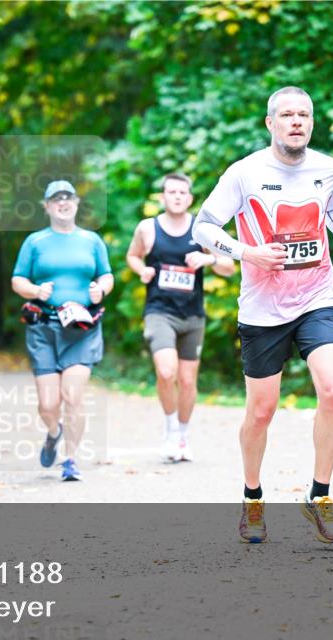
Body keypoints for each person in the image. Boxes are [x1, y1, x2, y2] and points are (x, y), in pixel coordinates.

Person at [192, 86, 333, 544]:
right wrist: (246, 252)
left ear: (312, 122)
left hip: (317, 297)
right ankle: (252, 497)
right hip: (263, 308)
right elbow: (203, 227)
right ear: (270, 123)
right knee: (261, 412)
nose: (296, 122)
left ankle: (320, 496)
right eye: (287, 115)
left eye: (304, 114)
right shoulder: (244, 173)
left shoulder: (327, 168)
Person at [126, 173, 235, 462]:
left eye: (182, 192)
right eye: (171, 192)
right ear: (163, 196)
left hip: (192, 315)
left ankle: (183, 436)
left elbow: (229, 266)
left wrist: (208, 258)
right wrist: (142, 270)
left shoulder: (202, 229)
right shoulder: (147, 228)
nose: (176, 196)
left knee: (187, 381)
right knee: (166, 372)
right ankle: (171, 430)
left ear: (190, 198)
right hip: (159, 312)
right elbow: (133, 256)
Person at [11, 180, 114, 482]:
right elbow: (18, 280)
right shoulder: (35, 242)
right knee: (48, 404)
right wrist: (35, 291)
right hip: (44, 328)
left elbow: (106, 275)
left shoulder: (91, 241)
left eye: (68, 198)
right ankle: (54, 432)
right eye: (56, 199)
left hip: (81, 329)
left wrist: (100, 290)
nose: (63, 203)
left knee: (73, 395)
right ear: (46, 206)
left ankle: (70, 459)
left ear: (77, 203)